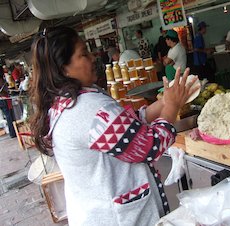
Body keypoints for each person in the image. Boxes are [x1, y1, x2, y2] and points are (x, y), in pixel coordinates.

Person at [29, 26, 198, 226]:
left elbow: (127, 125)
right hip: (114, 218)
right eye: (83, 54)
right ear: (63, 68)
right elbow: (150, 146)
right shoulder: (86, 110)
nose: (92, 58)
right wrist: (171, 106)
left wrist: (164, 101)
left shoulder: (67, 102)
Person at [0, 69, 16, 138]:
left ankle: (13, 132)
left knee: (8, 116)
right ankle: (13, 133)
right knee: (9, 116)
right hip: (4, 99)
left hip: (2, 99)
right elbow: (3, 91)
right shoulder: (0, 80)